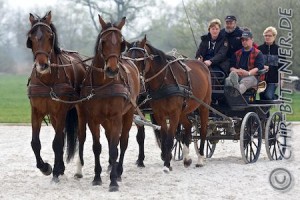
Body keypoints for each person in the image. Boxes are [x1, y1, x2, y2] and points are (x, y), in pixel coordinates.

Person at [225, 30, 264, 95]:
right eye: (242, 40)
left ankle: (236, 92)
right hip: (238, 74)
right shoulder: (237, 53)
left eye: (246, 40)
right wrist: (237, 71)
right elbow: (231, 67)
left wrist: (248, 73)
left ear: (252, 40)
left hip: (252, 76)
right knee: (228, 80)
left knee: (244, 81)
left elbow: (259, 67)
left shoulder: (258, 53)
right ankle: (234, 91)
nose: (244, 42)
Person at [258, 26, 280, 100]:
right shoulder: (259, 49)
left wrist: (281, 80)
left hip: (273, 80)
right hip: (261, 79)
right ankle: (266, 112)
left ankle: (276, 98)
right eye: (266, 36)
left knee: (268, 96)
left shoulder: (279, 50)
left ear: (274, 36)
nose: (267, 37)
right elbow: (256, 63)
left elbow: (282, 67)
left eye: (270, 36)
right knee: (262, 98)